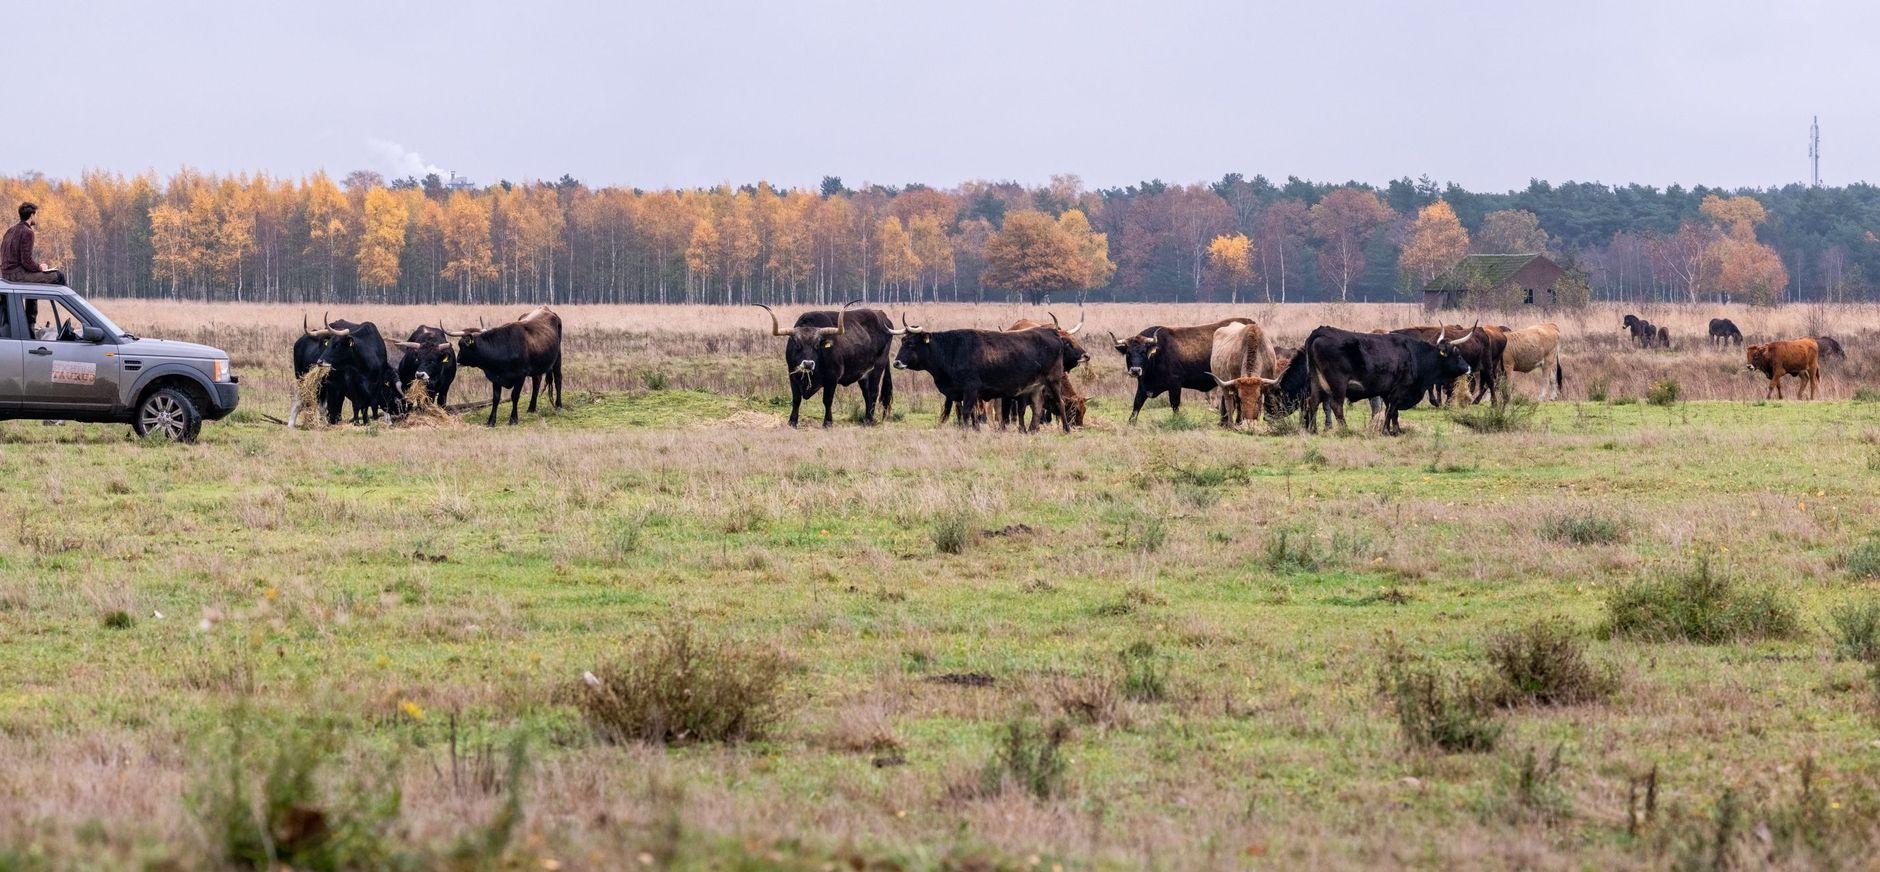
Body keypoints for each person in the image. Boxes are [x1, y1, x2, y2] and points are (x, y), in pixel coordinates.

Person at [1, 203, 66, 285]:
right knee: (58, 275)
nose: (36, 218)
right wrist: (40, 267)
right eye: (36, 215)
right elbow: (26, 261)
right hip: (17, 276)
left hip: (5, 275)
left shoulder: (10, 231)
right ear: (31, 216)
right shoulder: (27, 232)